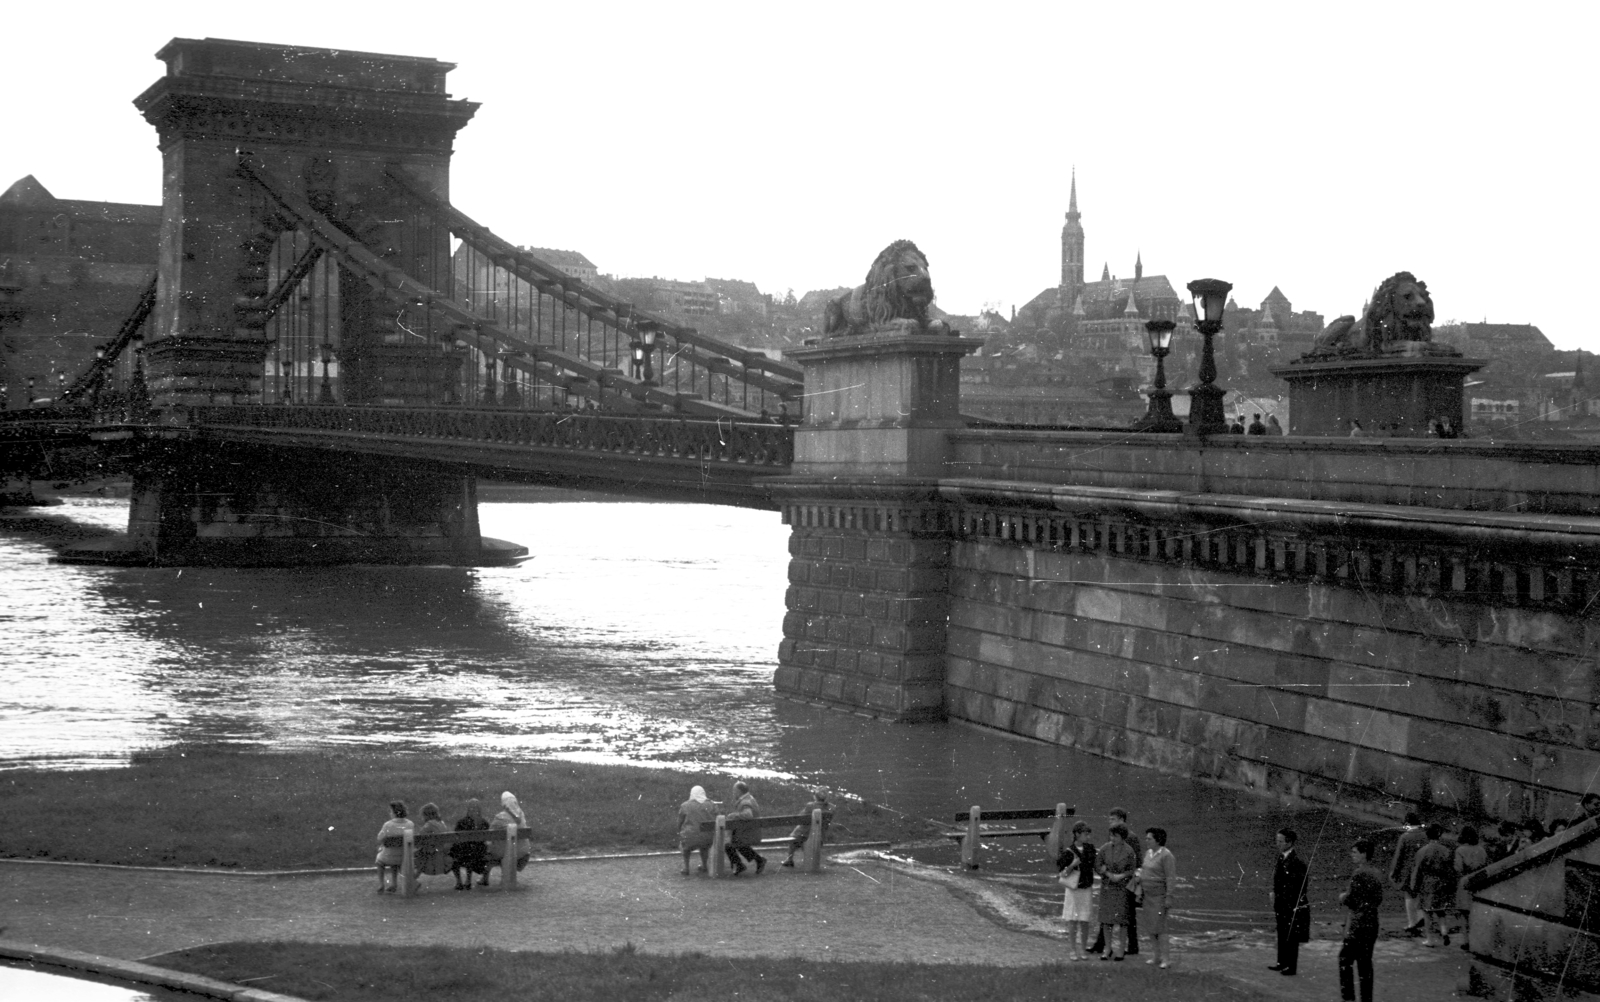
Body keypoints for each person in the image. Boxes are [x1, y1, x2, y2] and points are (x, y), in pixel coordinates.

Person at [1338, 838, 1384, 1002]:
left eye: (1355, 852)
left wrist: (1342, 897)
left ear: (1364, 854)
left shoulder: (1359, 873)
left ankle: (1348, 997)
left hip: (1358, 922)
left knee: (1345, 958)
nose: (1352, 855)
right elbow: (1378, 898)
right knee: (1365, 963)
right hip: (1372, 921)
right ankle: (1366, 998)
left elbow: (1351, 899)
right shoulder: (1377, 873)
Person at [1090, 808, 1140, 954]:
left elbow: (1137, 862)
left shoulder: (1130, 838)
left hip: (1125, 883)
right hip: (1112, 881)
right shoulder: (1112, 837)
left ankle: (1130, 946)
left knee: (1127, 914)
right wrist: (1106, 871)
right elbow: (1103, 859)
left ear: (1121, 820)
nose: (1109, 822)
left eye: (1112, 819)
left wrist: (1126, 876)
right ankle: (1105, 945)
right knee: (1111, 914)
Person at [1270, 827, 1310, 976]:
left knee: (1291, 935)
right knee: (1282, 932)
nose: (1277, 844)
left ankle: (1290, 966)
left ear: (1289, 842)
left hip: (1291, 904)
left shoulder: (1297, 862)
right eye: (1277, 841)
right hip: (1282, 902)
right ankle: (1281, 962)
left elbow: (1299, 887)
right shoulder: (1282, 858)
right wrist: (1274, 892)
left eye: (1280, 841)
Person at [1407, 823, 1455, 947]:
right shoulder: (1446, 850)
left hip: (1427, 882)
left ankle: (1430, 939)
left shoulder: (1422, 851)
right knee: (1440, 910)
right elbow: (1450, 870)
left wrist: (1414, 886)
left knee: (1427, 912)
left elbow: (1417, 870)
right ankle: (1444, 931)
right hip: (1441, 882)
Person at [1056, 821, 1097, 961]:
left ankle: (1083, 949)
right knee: (1073, 921)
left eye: (1088, 834)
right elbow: (1061, 874)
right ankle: (1073, 950)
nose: (1088, 837)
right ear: (1077, 834)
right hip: (1073, 890)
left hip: (1086, 888)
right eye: (1085, 834)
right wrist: (1072, 865)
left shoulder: (1091, 849)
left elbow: (1096, 865)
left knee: (1085, 921)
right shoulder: (1068, 852)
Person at [1139, 827, 1177, 969]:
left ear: (1158, 840)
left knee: (1160, 928)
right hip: (1147, 896)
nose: (1146, 841)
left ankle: (1166, 959)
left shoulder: (1167, 856)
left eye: (1149, 838)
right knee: (1150, 927)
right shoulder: (1148, 853)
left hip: (1159, 897)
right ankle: (1156, 956)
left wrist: (1169, 897)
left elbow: (1170, 878)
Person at [1388, 811, 1427, 935]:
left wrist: (1394, 872)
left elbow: (1399, 856)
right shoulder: (1425, 836)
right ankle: (1421, 917)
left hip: (1408, 870)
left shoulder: (1405, 837)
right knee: (1420, 895)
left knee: (1409, 895)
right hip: (1423, 869)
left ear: (1407, 823)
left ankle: (1412, 923)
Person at [1453, 825, 1488, 951]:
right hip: (1479, 882)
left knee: (1464, 913)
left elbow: (1458, 868)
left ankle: (1465, 940)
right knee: (1475, 912)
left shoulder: (1460, 850)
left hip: (1465, 882)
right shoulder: (1482, 850)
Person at [724, 780, 765, 875]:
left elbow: (748, 815)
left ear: (739, 791)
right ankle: (757, 860)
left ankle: (739, 864)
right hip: (752, 832)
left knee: (728, 844)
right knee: (735, 842)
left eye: (734, 791)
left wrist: (734, 815)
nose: (733, 793)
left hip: (749, 834)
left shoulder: (745, 802)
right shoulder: (750, 799)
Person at [374, 800, 414, 894]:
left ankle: (381, 884)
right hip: (404, 856)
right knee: (394, 860)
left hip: (389, 856)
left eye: (390, 811)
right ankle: (394, 883)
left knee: (379, 861)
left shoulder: (388, 825)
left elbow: (380, 837)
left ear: (394, 812)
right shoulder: (410, 824)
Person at [677, 785, 719, 875]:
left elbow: (680, 822)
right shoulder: (711, 804)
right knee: (703, 845)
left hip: (690, 837)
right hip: (708, 837)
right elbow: (717, 817)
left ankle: (686, 868)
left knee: (685, 845)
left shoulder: (685, 805)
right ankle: (704, 865)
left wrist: (679, 832)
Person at [782, 789, 829, 868]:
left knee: (793, 836)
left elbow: (800, 817)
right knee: (797, 834)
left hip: (804, 834)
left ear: (815, 796)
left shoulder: (810, 806)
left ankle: (789, 859)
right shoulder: (830, 807)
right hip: (820, 834)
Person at [450, 799, 490, 890]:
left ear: (468, 810)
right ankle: (468, 880)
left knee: (454, 852)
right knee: (471, 850)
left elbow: (455, 837)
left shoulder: (461, 822)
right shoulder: (484, 823)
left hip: (463, 853)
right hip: (480, 853)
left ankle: (459, 882)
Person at [489, 791, 531, 876]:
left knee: (492, 849)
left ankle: (485, 878)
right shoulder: (522, 815)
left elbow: (490, 833)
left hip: (503, 852)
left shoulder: (500, 817)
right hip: (522, 851)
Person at [414, 802, 452, 886]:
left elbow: (420, 836)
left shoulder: (429, 825)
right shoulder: (442, 824)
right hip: (442, 856)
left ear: (426, 815)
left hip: (431, 858)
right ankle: (414, 878)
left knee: (418, 853)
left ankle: (413, 879)